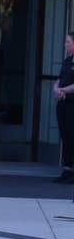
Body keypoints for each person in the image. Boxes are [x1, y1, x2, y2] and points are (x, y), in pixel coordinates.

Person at [54, 31, 74, 184]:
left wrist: (63, 90)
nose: (65, 44)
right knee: (65, 136)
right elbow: (59, 79)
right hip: (62, 104)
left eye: (68, 42)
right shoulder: (67, 61)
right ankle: (67, 169)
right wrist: (56, 89)